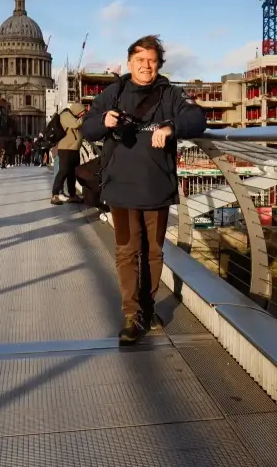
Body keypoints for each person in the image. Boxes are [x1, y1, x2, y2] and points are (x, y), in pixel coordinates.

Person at [80, 35, 207, 344]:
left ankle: (148, 307)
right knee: (126, 250)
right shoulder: (115, 92)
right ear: (129, 63)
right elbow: (87, 127)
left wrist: (171, 127)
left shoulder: (171, 95)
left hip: (156, 186)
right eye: (140, 60)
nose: (146, 66)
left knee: (152, 251)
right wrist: (105, 120)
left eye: (151, 61)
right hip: (120, 188)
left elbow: (197, 117)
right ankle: (131, 313)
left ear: (158, 64)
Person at [51, 103, 86, 206]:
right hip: (66, 149)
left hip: (74, 149)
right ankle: (55, 194)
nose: (82, 116)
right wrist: (86, 118)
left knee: (73, 173)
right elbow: (75, 124)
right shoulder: (66, 115)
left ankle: (72, 195)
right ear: (77, 111)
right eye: (82, 114)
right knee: (63, 172)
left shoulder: (75, 117)